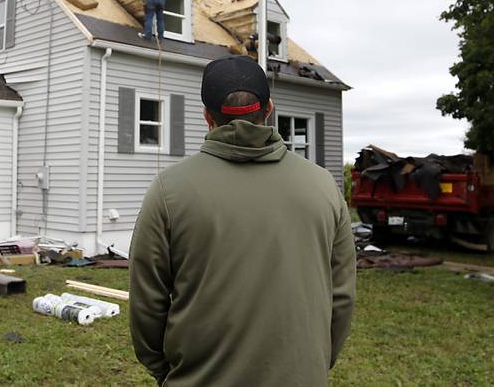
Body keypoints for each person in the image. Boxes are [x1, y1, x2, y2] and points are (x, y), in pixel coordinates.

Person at [129, 55, 356, 386]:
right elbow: (342, 298)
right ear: (269, 109)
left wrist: (167, 373)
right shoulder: (324, 186)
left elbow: (147, 304)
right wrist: (312, 364)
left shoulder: (168, 192)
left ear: (207, 115)